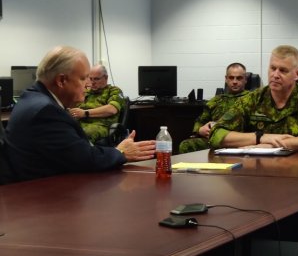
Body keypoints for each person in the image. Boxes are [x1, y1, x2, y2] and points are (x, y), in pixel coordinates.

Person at [1, 46, 155, 184]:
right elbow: (85, 159)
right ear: (61, 80)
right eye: (83, 78)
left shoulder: (31, 98)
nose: (88, 84)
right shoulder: (46, 112)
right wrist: (120, 152)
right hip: (40, 197)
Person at [208, 45, 298, 151]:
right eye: (273, 68)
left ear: (297, 74)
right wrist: (260, 138)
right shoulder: (253, 99)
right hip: (256, 169)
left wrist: (275, 145)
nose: (275, 75)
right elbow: (216, 133)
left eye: (283, 70)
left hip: (296, 168)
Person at [178, 62, 250, 153]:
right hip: (215, 141)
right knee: (186, 145)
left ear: (245, 80)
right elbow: (200, 121)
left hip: (241, 142)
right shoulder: (215, 101)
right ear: (226, 79)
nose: (235, 81)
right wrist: (200, 129)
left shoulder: (252, 99)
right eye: (231, 78)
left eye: (239, 78)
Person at [68, 64, 124, 144]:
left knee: (82, 134)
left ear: (106, 78)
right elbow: (72, 105)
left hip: (100, 126)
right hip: (80, 123)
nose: (92, 82)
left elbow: (111, 109)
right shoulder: (87, 92)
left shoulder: (114, 91)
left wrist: (85, 113)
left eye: (96, 79)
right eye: (90, 79)